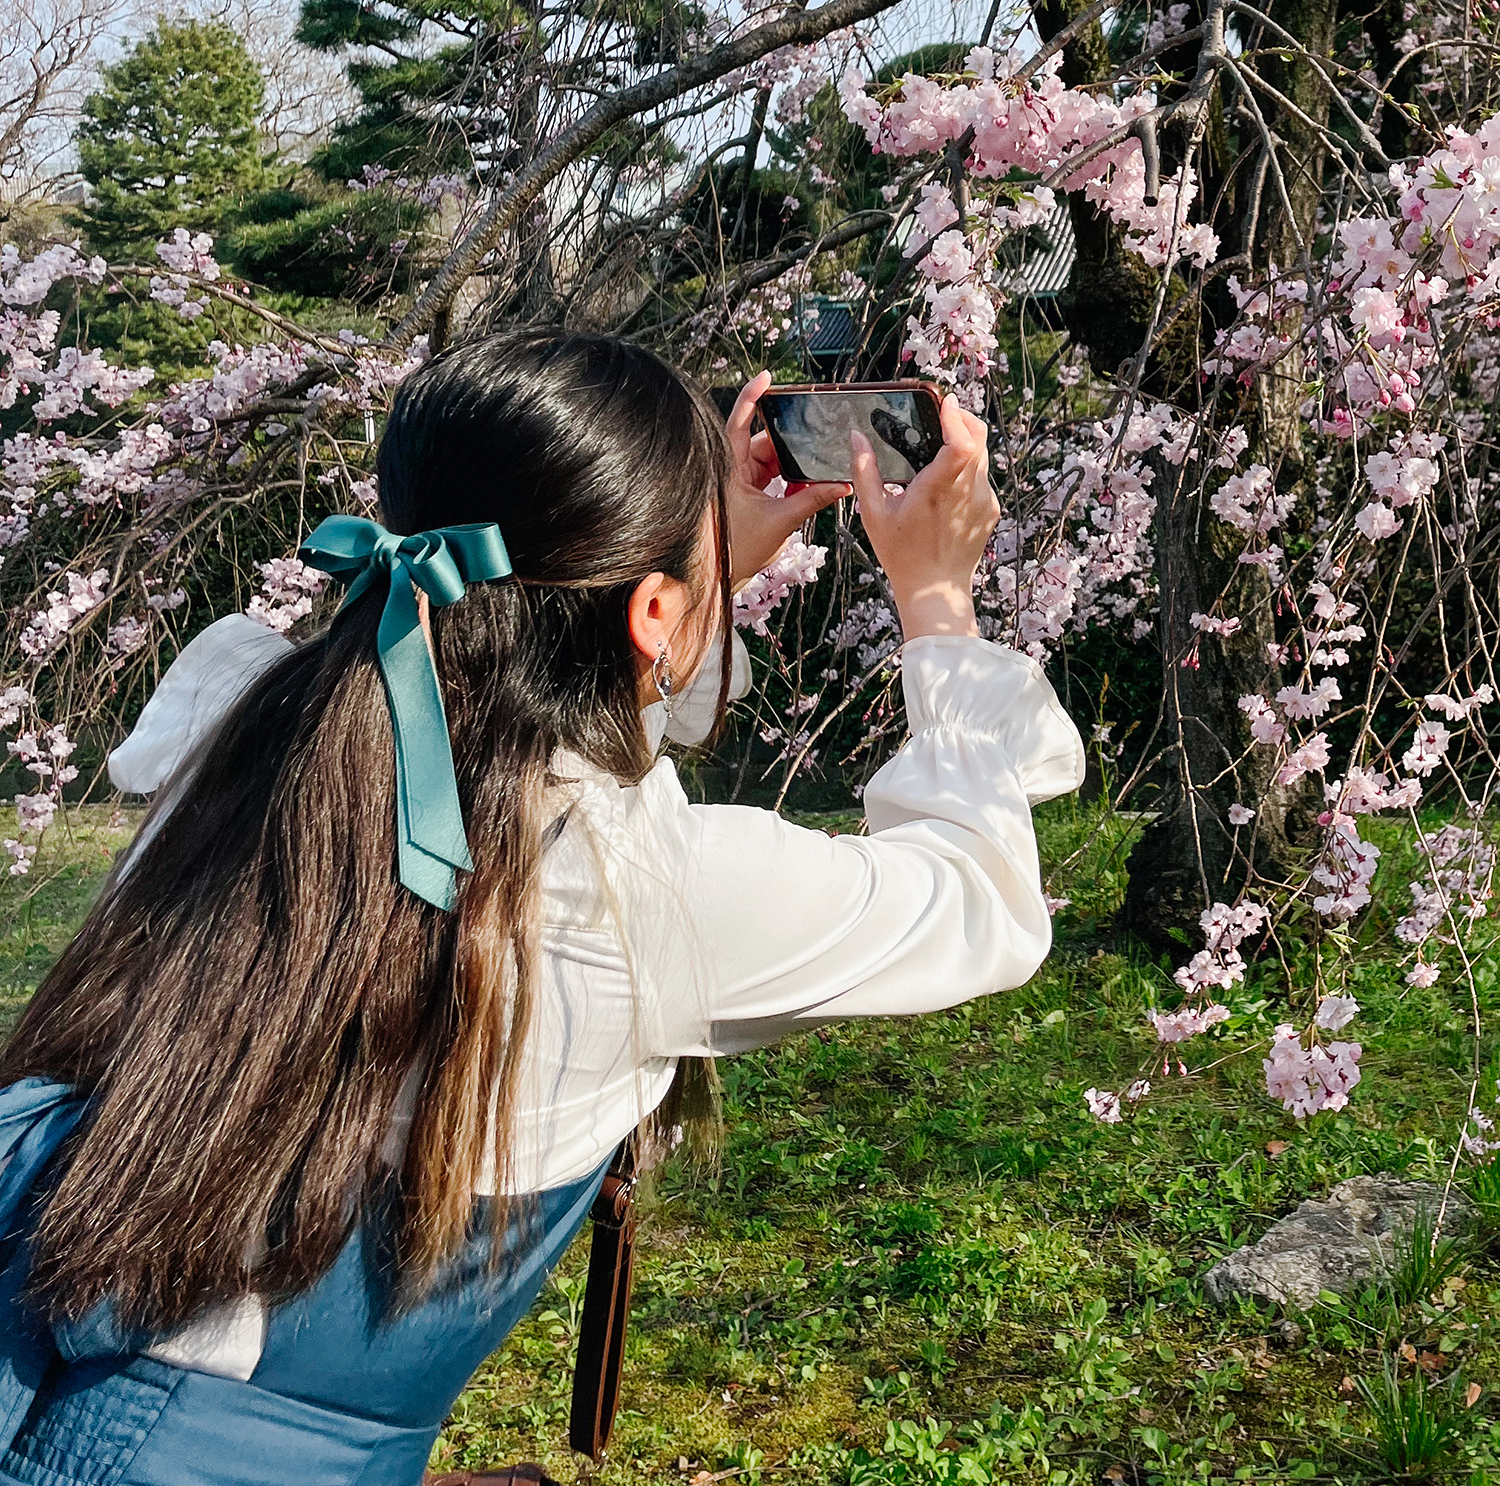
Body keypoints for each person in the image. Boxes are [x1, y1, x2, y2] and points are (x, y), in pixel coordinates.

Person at [0, 330, 1082, 1482]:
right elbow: (978, 900)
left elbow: (526, 726)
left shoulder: (262, 720)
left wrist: (689, 583)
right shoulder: (637, 895)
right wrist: (935, 598)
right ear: (652, 612)